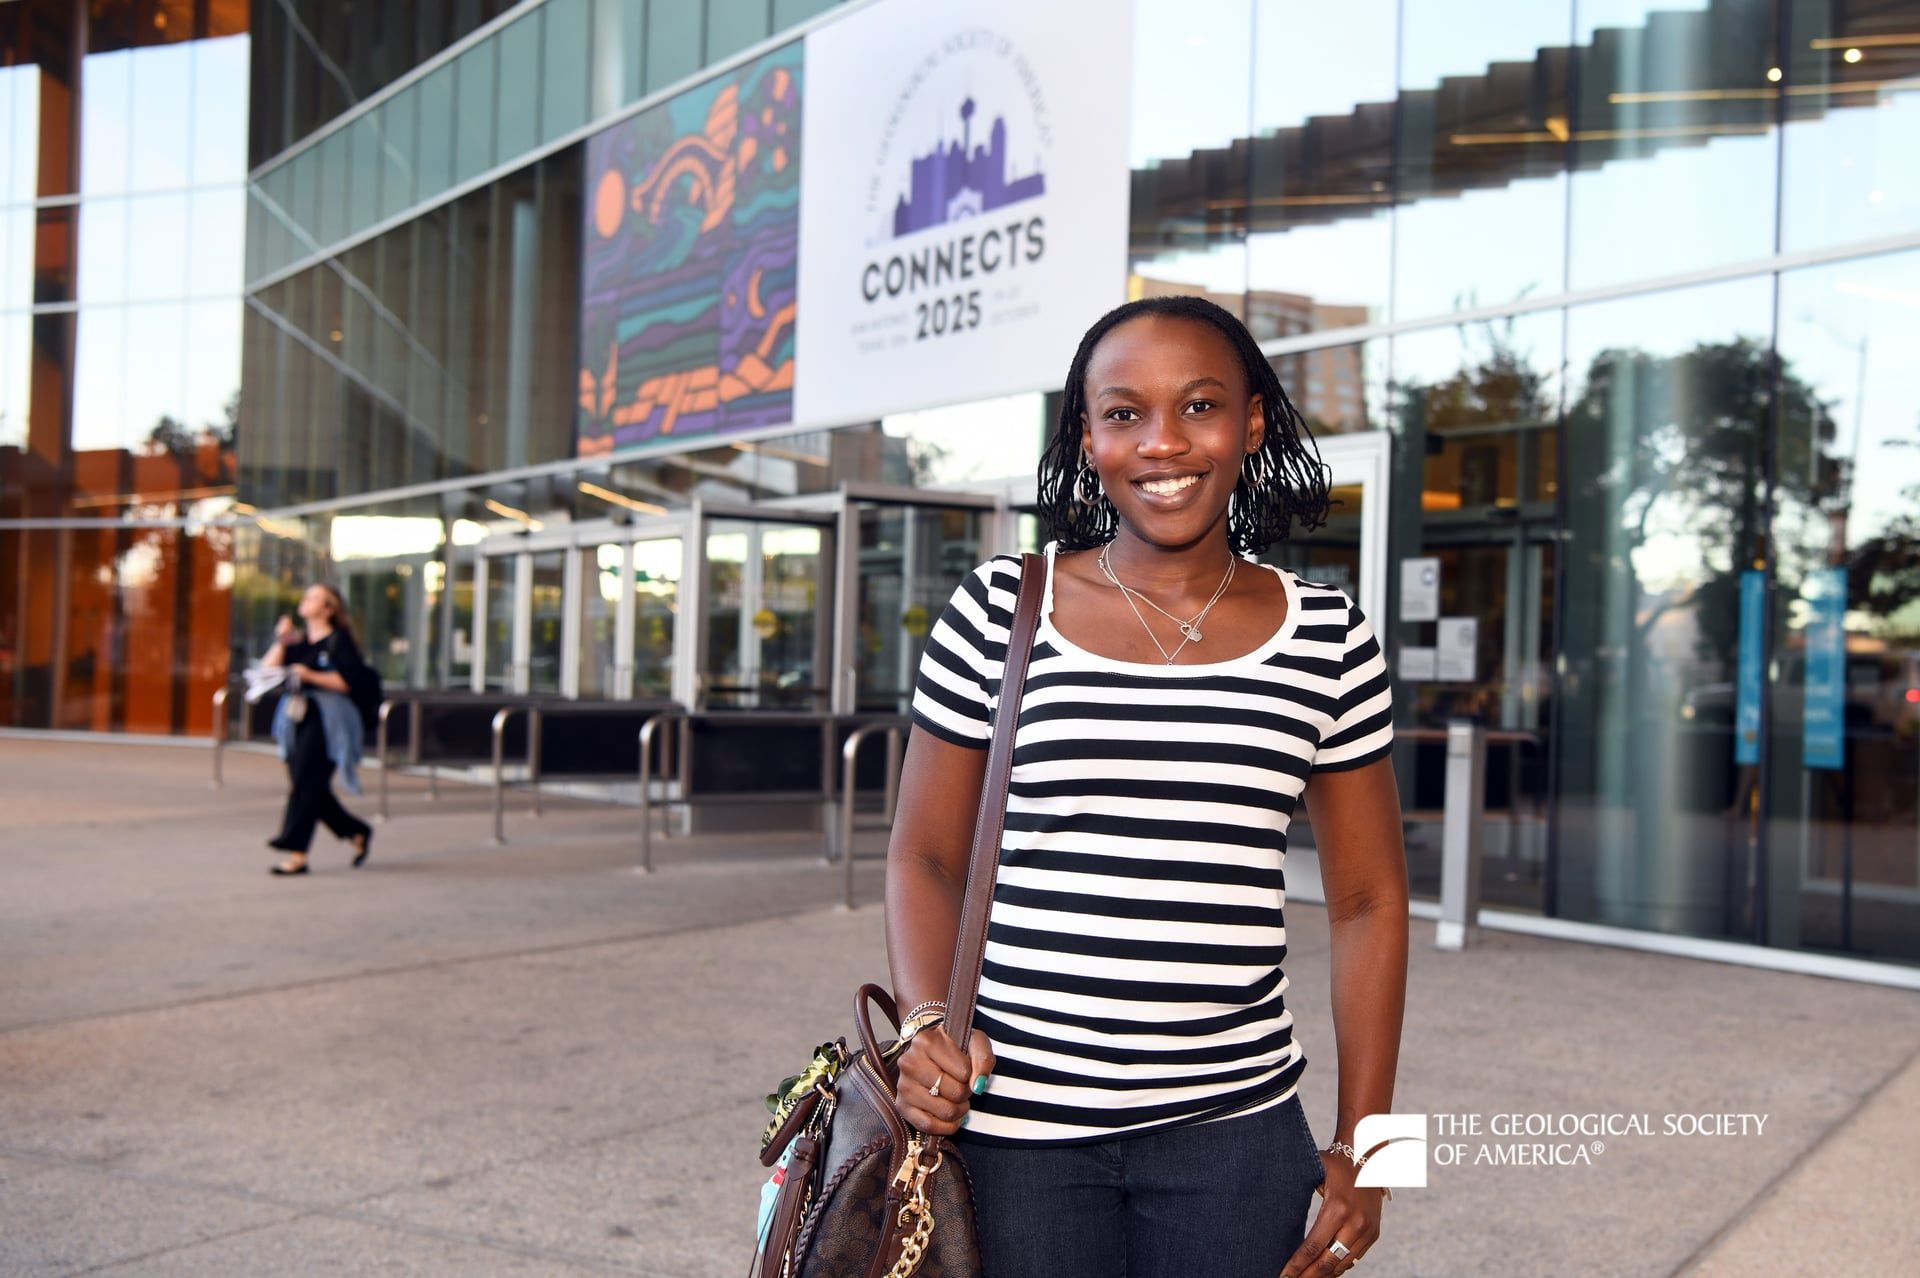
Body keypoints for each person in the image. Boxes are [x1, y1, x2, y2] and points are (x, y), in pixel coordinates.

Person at [884, 295, 1408, 1277]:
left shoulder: (1330, 636)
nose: (1163, 442)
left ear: (1252, 421)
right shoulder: (998, 609)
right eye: (1124, 413)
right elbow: (923, 855)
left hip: (1239, 1142)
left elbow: (1373, 903)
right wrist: (921, 1026)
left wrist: (1370, 1151)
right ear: (1088, 437)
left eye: (1200, 405)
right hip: (1013, 1136)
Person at [261, 583, 375, 876]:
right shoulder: (300, 642)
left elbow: (350, 682)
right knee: (308, 784)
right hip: (297, 716)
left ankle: (296, 853)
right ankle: (355, 830)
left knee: (305, 782)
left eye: (313, 597)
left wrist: (310, 675)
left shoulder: (339, 641)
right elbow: (267, 672)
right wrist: (281, 641)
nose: (305, 600)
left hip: (330, 720)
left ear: (328, 609)